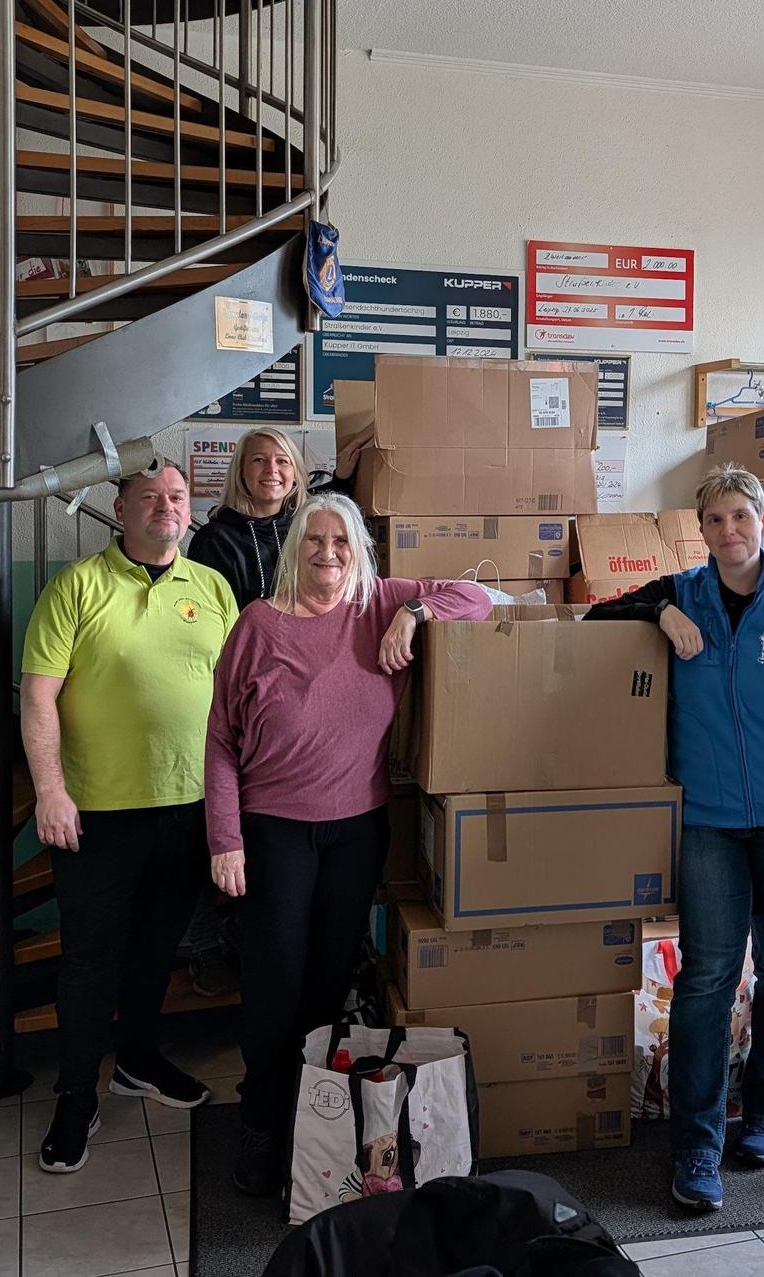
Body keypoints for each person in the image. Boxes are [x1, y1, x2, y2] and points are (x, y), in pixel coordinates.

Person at [203, 492, 493, 1196]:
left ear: (358, 550)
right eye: (313, 540)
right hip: (272, 831)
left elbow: (482, 596)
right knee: (272, 985)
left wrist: (415, 611)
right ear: (293, 549)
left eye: (340, 541)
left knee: (327, 987)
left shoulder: (376, 604)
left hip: (357, 830)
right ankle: (261, 1121)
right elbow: (218, 741)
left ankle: (314, 1123)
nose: (327, 553)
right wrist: (226, 838)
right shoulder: (257, 625)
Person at [585, 464, 764, 1214]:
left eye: (742, 516)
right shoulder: (680, 593)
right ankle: (696, 1143)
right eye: (715, 519)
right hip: (705, 820)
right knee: (705, 977)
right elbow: (593, 621)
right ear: (698, 529)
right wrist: (655, 614)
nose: (728, 531)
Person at [19, 458, 239, 1174]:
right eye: (149, 497)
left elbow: (239, 700)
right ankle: (76, 1093)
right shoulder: (76, 586)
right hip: (97, 814)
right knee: (88, 960)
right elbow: (38, 696)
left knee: (158, 949)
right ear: (120, 510)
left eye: (176, 496)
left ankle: (138, 1060)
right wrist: (49, 790)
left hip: (188, 807)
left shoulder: (210, 586)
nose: (166, 506)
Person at [187, 425, 373, 608]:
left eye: (282, 461)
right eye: (259, 460)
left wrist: (342, 477)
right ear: (241, 471)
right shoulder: (213, 541)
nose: (271, 469)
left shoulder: (306, 527)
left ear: (295, 475)